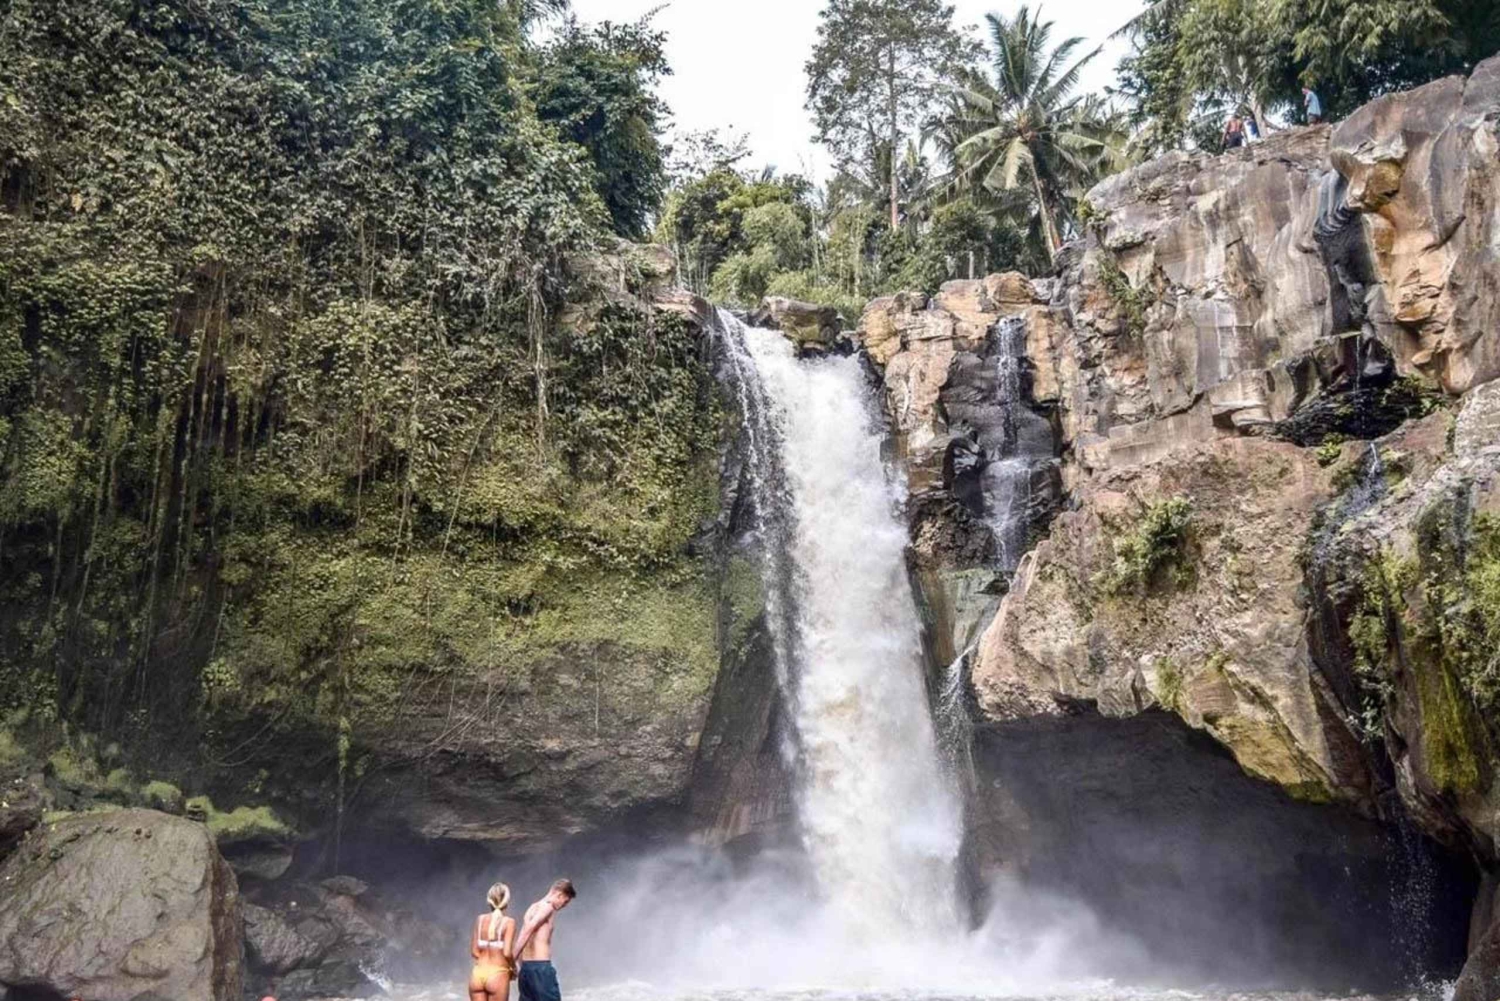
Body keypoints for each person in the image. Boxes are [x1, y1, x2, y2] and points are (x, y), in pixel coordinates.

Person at [512, 879, 578, 1001]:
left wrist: (518, 963)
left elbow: (523, 933)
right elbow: (528, 930)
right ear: (559, 894)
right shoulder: (548, 907)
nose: (564, 906)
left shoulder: (532, 907)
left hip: (526, 968)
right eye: (565, 902)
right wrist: (511, 959)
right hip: (541, 969)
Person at [468, 882, 517, 1001]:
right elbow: (506, 953)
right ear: (506, 901)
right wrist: (513, 968)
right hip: (498, 974)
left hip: (477, 975)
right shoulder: (509, 922)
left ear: (489, 900)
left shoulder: (480, 920)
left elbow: (474, 952)